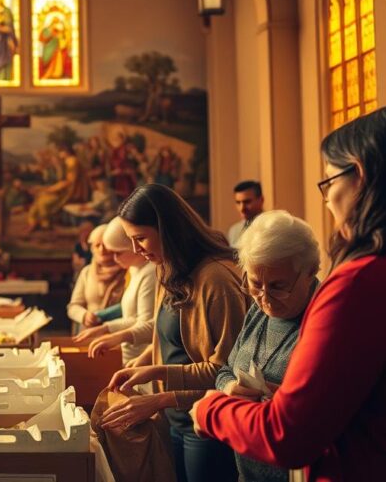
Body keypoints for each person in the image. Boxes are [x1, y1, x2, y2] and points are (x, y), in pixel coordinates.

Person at [192, 106, 386, 480]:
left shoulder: (364, 284)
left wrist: (211, 410)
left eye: (328, 180)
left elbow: (287, 436)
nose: (326, 198)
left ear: (360, 177)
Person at [99, 184, 247, 482]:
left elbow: (228, 373)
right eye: (131, 240)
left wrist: (158, 393)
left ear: (168, 229)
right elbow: (168, 336)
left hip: (206, 421)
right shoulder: (166, 268)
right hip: (176, 416)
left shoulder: (216, 280)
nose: (136, 250)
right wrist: (143, 362)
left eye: (140, 238)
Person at [211, 210, 320, 482]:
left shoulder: (322, 322)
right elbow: (225, 370)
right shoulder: (259, 311)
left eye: (278, 286)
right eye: (254, 284)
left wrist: (282, 405)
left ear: (310, 272)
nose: (265, 298)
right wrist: (229, 388)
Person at [76, 217, 158, 367]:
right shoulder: (134, 270)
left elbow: (148, 324)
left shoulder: (149, 273)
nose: (114, 258)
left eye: (118, 253)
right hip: (131, 354)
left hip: (142, 357)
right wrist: (105, 328)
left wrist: (110, 331)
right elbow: (132, 317)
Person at [67, 224, 126, 333]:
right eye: (97, 245)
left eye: (105, 245)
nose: (102, 249)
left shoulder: (127, 271)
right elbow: (73, 307)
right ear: (92, 248)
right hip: (89, 332)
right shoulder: (87, 272)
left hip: (118, 333)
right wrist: (84, 316)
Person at [226, 180, 265, 248]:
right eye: (238, 202)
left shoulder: (270, 227)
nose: (242, 208)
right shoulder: (234, 231)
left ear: (261, 200)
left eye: (247, 202)